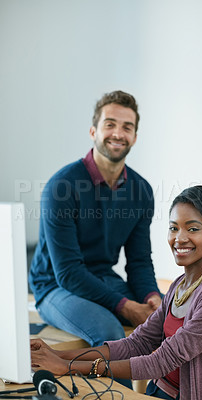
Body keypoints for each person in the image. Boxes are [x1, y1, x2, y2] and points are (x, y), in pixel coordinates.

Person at [31, 185, 202, 400]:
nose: (179, 238)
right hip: (158, 391)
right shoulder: (180, 285)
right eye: (173, 228)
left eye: (192, 229)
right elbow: (138, 343)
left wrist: (68, 366)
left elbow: (159, 362)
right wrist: (56, 354)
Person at [29, 90, 161, 348]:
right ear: (93, 132)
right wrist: (126, 307)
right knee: (109, 330)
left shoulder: (141, 191)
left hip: (102, 278)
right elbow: (68, 272)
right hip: (55, 286)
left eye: (127, 127)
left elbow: (139, 262)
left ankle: (156, 391)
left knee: (173, 319)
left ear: (134, 137)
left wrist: (151, 296)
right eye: (110, 124)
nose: (118, 133)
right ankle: (119, 392)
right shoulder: (62, 186)